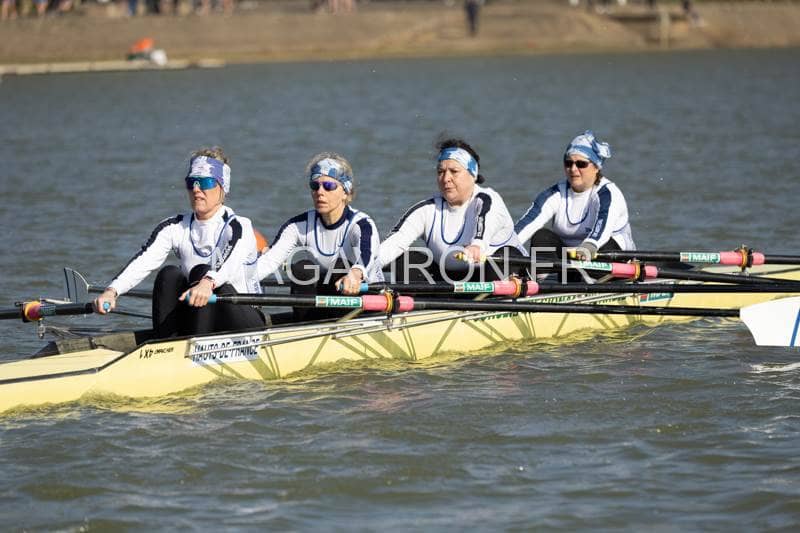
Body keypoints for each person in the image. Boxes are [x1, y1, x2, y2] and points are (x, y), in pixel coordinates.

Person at [93, 147, 265, 338]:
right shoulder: (174, 227)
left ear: (222, 187)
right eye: (191, 182)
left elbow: (228, 264)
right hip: (200, 319)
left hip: (244, 320)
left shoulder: (239, 226)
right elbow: (144, 261)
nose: (196, 189)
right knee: (169, 274)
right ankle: (166, 343)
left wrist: (208, 282)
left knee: (202, 272)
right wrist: (112, 291)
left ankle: (195, 345)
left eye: (205, 182)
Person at [379, 137, 525, 283]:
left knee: (504, 257)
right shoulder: (426, 210)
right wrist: (366, 267)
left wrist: (476, 246)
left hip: (499, 273)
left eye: (454, 171)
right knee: (407, 260)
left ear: (473, 174)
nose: (445, 179)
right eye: (441, 172)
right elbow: (395, 241)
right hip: (452, 281)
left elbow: (483, 227)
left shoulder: (488, 200)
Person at [255, 152, 383, 315]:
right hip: (326, 298)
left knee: (341, 266)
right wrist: (234, 279)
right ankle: (305, 324)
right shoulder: (297, 225)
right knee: (302, 269)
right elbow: (270, 260)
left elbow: (367, 255)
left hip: (366, 302)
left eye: (329, 186)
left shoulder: (361, 225)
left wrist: (356, 273)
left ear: (345, 191)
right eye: (315, 186)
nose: (320, 192)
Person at [514, 130, 635, 265]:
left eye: (581, 164)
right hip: (571, 259)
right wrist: (506, 246)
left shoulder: (608, 194)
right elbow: (528, 224)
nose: (573, 169)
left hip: (607, 253)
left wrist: (589, 245)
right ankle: (545, 276)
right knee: (541, 237)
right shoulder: (555, 194)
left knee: (604, 246)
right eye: (568, 163)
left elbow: (603, 229)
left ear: (596, 167)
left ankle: (577, 273)